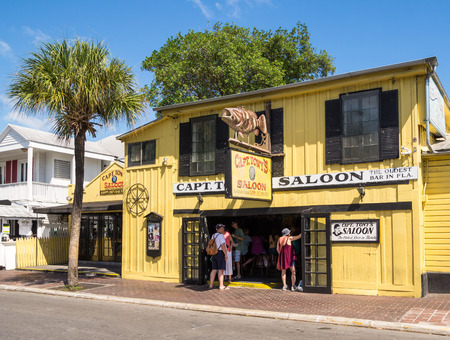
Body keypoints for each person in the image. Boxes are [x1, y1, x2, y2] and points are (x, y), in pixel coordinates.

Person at [209, 224, 229, 290]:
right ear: (220, 228)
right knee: (221, 269)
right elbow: (223, 246)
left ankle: (211, 285)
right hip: (220, 253)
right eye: (223, 228)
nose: (223, 229)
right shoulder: (221, 236)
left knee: (214, 269)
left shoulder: (213, 235)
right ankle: (221, 285)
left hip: (214, 253)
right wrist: (226, 254)